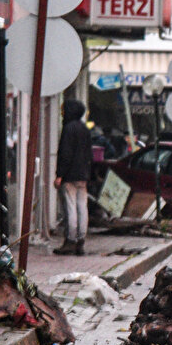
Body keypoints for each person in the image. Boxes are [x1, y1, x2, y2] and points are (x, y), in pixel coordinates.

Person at [54, 98, 93, 256]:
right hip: (83, 175)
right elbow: (89, 154)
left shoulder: (68, 128)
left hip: (70, 176)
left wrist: (60, 175)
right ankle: (81, 240)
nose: (62, 113)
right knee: (82, 207)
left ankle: (70, 240)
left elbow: (66, 153)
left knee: (70, 208)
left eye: (64, 110)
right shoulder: (84, 129)